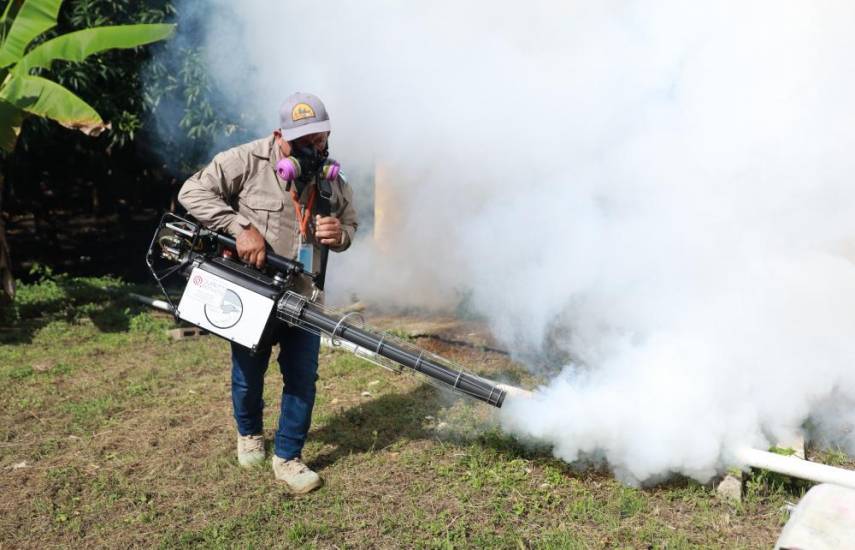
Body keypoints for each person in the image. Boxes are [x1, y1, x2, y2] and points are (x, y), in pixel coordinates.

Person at [177, 92, 358, 494]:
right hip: (252, 293)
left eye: (320, 139)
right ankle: (250, 432)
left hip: (304, 297)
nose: (314, 149)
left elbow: (350, 221)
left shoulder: (332, 178)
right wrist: (240, 228)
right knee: (248, 374)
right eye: (303, 142)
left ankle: (289, 457)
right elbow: (192, 192)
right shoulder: (245, 161)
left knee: (302, 378)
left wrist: (340, 235)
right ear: (281, 137)